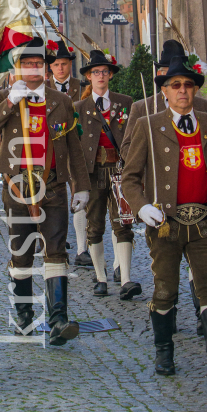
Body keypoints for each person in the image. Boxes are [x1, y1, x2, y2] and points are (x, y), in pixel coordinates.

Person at [122, 54, 207, 381]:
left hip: (204, 222)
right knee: (165, 291)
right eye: (175, 85)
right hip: (165, 225)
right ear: (164, 91)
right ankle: (164, 352)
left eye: (188, 85)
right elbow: (130, 177)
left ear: (195, 90)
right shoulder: (149, 125)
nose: (183, 91)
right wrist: (141, 206)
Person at [0, 37, 90, 346]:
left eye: (37, 64)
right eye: (26, 64)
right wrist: (10, 102)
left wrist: (80, 186)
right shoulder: (3, 96)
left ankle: (58, 320)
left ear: (45, 69)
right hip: (16, 187)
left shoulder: (61, 101)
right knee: (21, 253)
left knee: (56, 250)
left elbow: (74, 148)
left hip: (53, 185)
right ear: (17, 68)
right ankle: (25, 316)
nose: (32, 70)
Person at [120, 39, 207, 330]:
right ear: (162, 81)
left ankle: (206, 320)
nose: (180, 89)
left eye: (185, 81)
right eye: (170, 77)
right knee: (165, 281)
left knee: (204, 276)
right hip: (162, 207)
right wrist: (146, 196)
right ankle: (166, 330)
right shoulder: (143, 110)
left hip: (200, 213)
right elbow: (130, 155)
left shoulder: (206, 111)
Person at [75, 50, 138, 300]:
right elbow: (75, 146)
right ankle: (100, 277)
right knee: (95, 225)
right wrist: (77, 180)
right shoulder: (79, 107)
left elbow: (134, 137)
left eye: (104, 72)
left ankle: (126, 279)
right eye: (95, 72)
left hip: (120, 170)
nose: (100, 76)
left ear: (110, 75)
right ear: (89, 77)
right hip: (92, 173)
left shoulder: (125, 102)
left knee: (123, 222)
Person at [48, 40, 90, 269]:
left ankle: (82, 248)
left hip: (77, 146)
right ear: (50, 68)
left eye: (64, 64)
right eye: (56, 64)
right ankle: (54, 240)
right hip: (52, 149)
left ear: (69, 66)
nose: (60, 68)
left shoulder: (83, 86)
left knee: (78, 193)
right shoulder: (43, 89)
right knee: (51, 197)